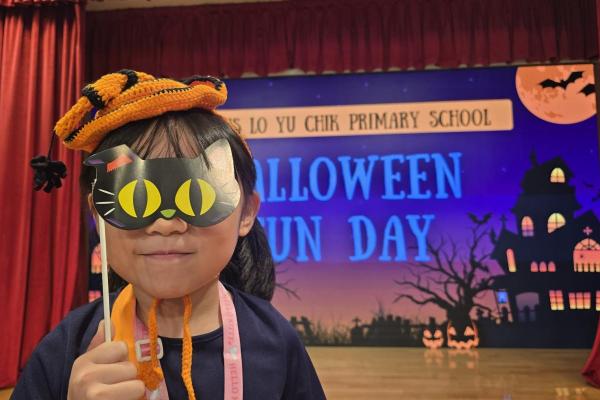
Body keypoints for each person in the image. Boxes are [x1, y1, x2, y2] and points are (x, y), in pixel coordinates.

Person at [14, 70, 326, 399]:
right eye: (135, 199)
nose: (165, 225)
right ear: (98, 215)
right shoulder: (68, 349)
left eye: (198, 196)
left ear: (247, 212)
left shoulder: (276, 343)